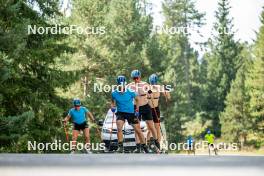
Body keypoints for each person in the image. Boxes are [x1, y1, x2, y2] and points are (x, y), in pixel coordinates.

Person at [111, 75, 149, 153]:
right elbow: (112, 102)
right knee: (119, 126)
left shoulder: (130, 92)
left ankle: (144, 147)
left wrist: (137, 109)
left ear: (125, 84)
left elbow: (137, 99)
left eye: (123, 85)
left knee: (138, 130)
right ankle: (121, 147)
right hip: (120, 113)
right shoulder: (114, 93)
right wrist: (112, 107)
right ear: (117, 84)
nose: (122, 87)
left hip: (130, 113)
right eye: (120, 85)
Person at [127, 70, 160, 153]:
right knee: (137, 128)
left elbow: (153, 91)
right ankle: (138, 147)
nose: (135, 79)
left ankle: (156, 144)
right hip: (135, 108)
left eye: (137, 78)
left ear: (140, 77)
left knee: (151, 126)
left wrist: (151, 92)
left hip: (145, 107)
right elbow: (122, 91)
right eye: (134, 78)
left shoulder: (145, 84)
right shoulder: (129, 86)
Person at [147, 74, 171, 144]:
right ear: (149, 82)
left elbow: (168, 97)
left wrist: (166, 91)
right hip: (148, 109)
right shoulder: (146, 87)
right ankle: (147, 145)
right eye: (152, 83)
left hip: (156, 109)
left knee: (157, 127)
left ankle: (158, 144)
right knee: (149, 128)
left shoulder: (159, 87)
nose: (153, 84)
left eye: (154, 83)